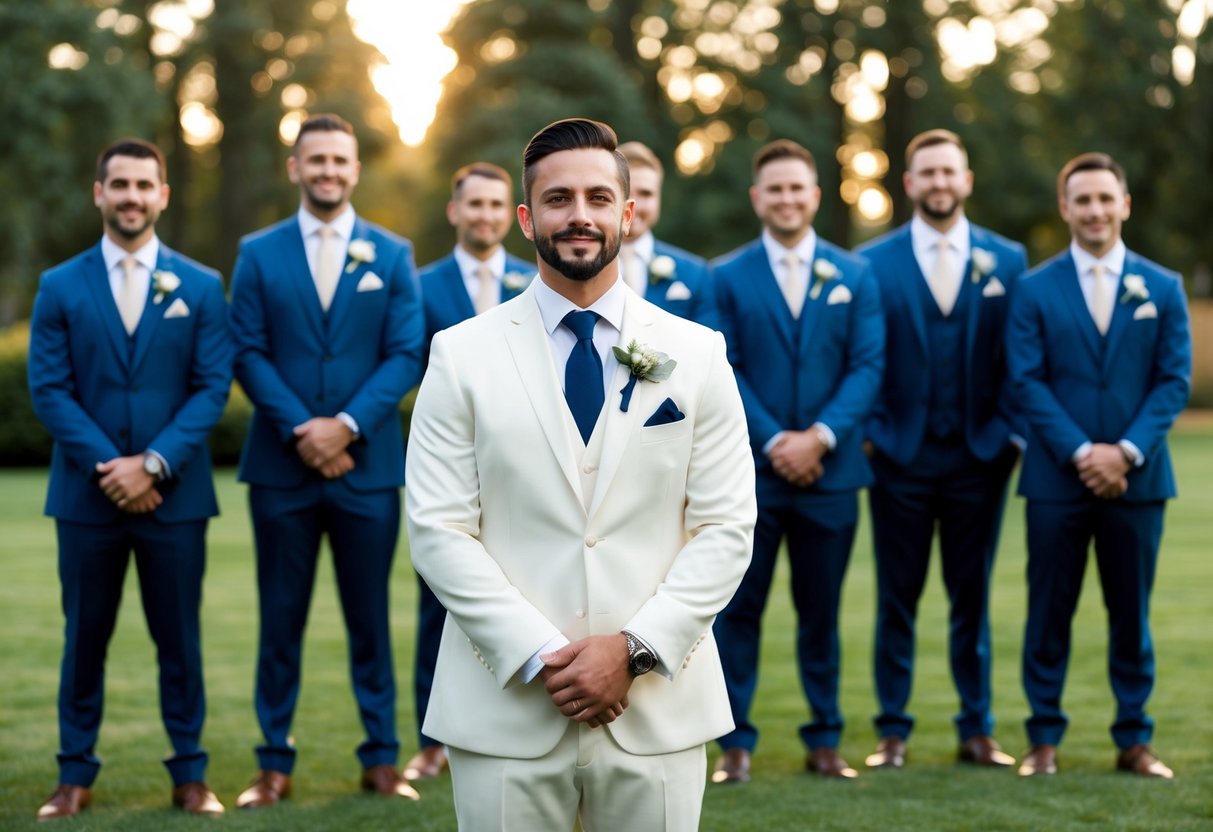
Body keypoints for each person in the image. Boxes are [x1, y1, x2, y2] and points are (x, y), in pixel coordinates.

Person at [404, 117, 756, 830]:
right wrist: (540, 655)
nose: (579, 216)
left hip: (655, 708)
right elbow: (438, 529)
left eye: (599, 198)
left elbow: (725, 526)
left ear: (627, 213)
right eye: (558, 199)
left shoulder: (696, 353)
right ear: (527, 218)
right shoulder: (459, 354)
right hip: (504, 710)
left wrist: (631, 650)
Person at [28, 138, 231, 819]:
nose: (132, 197)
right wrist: (110, 468)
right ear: (99, 193)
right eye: (119, 184)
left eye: (145, 185)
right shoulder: (60, 285)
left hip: (175, 500)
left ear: (163, 195)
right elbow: (50, 389)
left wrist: (153, 464)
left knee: (180, 643)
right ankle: (74, 774)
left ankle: (190, 775)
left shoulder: (200, 285)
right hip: (87, 500)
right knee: (83, 639)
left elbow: (210, 387)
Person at [228, 113, 424, 806]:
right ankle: (272, 763)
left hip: (366, 472)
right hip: (280, 471)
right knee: (279, 620)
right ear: (295, 168)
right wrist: (302, 431)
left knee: (369, 618)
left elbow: (405, 353)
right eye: (315, 161)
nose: (328, 172)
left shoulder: (392, 254)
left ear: (354, 169)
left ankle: (380, 757)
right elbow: (245, 349)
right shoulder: (257, 252)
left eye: (339, 161)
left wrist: (343, 428)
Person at [1007, 152, 1190, 779]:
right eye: (1082, 200)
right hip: (1058, 480)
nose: (1094, 211)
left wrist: (1126, 453)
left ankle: (1135, 740)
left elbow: (1173, 381)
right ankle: (1043, 740)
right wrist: (1084, 453)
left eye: (1105, 199)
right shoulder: (1033, 289)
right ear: (1065, 208)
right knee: (1048, 613)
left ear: (1125, 203)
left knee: (1130, 616)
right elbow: (1026, 381)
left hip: (1139, 482)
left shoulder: (1162, 287)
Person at [710, 139, 884, 783]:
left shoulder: (855, 275)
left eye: (796, 188)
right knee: (738, 611)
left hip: (832, 476)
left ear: (815, 195)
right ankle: (734, 743)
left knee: (822, 612)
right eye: (774, 189)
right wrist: (776, 441)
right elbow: (722, 366)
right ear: (758, 198)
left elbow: (868, 366)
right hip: (750, 477)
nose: (786, 198)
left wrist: (821, 438)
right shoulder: (723, 276)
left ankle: (825, 739)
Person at [856, 129, 1027, 770]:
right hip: (898, 456)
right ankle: (892, 732)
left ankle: (976, 729)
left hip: (980, 459)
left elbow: (1018, 354)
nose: (939, 183)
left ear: (967, 179)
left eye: (948, 172)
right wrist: (873, 434)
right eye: (926, 173)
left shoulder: (1006, 260)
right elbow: (866, 355)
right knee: (896, 599)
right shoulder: (873, 261)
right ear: (909, 183)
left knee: (971, 597)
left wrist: (1008, 435)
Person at [407, 161, 534, 781]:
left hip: (521, 472)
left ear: (513, 215)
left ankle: (517, 717)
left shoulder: (533, 282)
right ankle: (432, 739)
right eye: (473, 204)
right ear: (454, 211)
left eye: (495, 205)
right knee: (440, 600)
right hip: (452, 467)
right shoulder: (422, 285)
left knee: (519, 586)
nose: (483, 215)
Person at [617, 141, 716, 326]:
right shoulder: (579, 266)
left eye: (646, 194)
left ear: (659, 197)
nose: (634, 204)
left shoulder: (695, 273)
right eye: (625, 192)